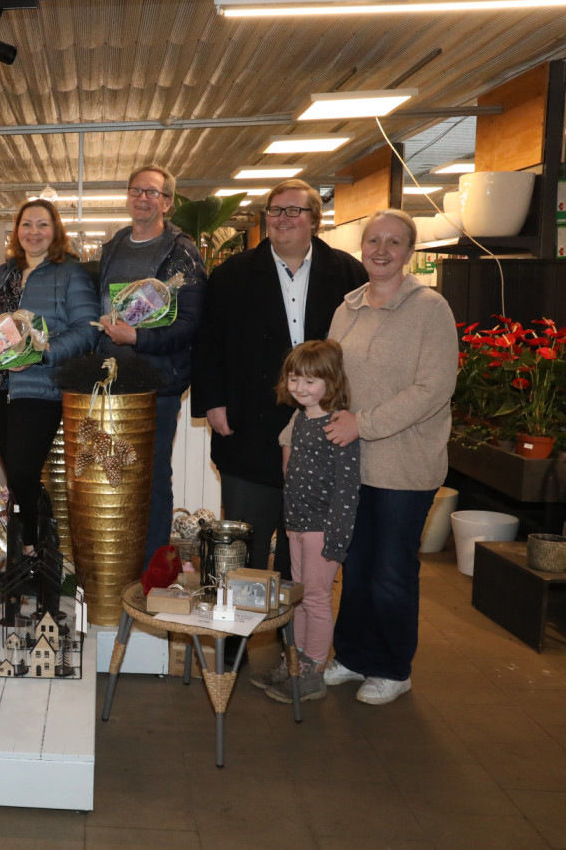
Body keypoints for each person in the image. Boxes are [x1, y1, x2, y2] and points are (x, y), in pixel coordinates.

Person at [191, 179, 366, 578]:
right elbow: (208, 343)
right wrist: (213, 401)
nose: (282, 218)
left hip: (322, 433)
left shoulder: (348, 273)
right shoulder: (231, 274)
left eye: (293, 211)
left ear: (315, 220)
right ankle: (239, 638)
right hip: (247, 423)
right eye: (274, 210)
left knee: (305, 553)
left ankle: (298, 634)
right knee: (244, 547)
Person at [321, 208, 457, 705]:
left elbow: (434, 388)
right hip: (352, 463)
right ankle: (354, 656)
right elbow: (330, 377)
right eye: (373, 240)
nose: (381, 250)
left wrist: (366, 423)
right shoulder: (347, 307)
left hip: (405, 464)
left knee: (391, 570)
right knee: (355, 565)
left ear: (409, 252)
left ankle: (393, 667)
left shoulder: (430, 308)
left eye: (393, 242)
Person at [0, 200, 100, 550]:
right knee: (16, 477)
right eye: (27, 224)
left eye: (43, 225)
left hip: (39, 389)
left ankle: (35, 547)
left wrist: (42, 353)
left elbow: (88, 329)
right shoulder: (2, 274)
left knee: (25, 473)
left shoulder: (70, 274)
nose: (34, 232)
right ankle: (34, 548)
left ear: (56, 231)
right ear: (17, 231)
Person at [94, 165, 206, 567]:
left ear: (168, 203)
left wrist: (138, 338)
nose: (143, 198)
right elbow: (103, 307)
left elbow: (189, 325)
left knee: (154, 478)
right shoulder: (114, 246)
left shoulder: (181, 252)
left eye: (153, 193)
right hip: (112, 382)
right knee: (115, 475)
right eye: (136, 191)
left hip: (158, 385)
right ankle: (120, 561)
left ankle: (153, 567)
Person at [252, 339, 359, 705]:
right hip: (296, 524)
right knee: (297, 597)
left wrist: (336, 540)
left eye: (311, 381)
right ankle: (293, 663)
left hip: (321, 529)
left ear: (331, 382)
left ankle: (313, 672)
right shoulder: (299, 419)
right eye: (295, 379)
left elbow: (347, 490)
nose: (301, 388)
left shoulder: (337, 426)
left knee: (315, 599)